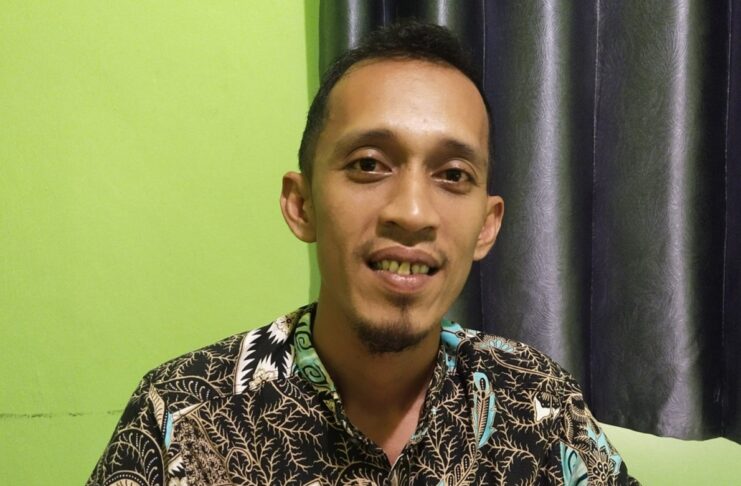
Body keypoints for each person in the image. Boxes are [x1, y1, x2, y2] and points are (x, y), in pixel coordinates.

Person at [88, 22, 638, 485]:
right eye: (369, 165)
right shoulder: (181, 417)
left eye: (452, 174)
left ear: (486, 227)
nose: (413, 212)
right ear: (302, 204)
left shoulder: (537, 403)